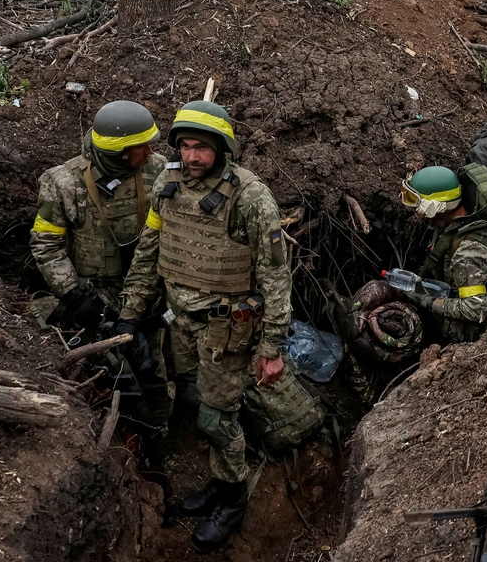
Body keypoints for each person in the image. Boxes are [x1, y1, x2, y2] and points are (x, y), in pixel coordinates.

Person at [116, 100, 290, 553]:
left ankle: (232, 499)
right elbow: (149, 251)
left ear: (222, 148)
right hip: (180, 323)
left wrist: (272, 348)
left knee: (217, 415)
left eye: (202, 148)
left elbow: (275, 277)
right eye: (186, 147)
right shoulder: (166, 185)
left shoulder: (251, 197)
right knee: (197, 402)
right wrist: (131, 313)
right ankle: (218, 483)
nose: (192, 157)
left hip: (225, 330)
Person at [28, 100, 172, 471]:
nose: (151, 151)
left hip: (146, 289)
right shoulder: (63, 182)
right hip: (93, 292)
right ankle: (121, 437)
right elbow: (46, 244)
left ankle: (160, 430)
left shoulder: (159, 172)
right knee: (110, 370)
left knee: (151, 364)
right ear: (120, 154)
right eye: (142, 146)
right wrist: (73, 294)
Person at [394, 163, 487, 343]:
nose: (419, 216)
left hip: (476, 336)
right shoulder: (457, 223)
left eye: (420, 209)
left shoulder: (467, 252)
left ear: (436, 207)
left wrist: (426, 300)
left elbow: (475, 309)